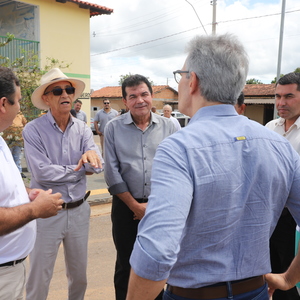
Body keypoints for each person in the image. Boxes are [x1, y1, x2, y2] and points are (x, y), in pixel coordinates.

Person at [126, 34, 300, 300]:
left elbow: (158, 250)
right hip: (255, 291)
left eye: (180, 75)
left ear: (192, 81)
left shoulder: (178, 149)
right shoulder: (279, 145)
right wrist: (289, 279)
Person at [23, 68, 103, 300]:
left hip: (79, 210)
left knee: (79, 277)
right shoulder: (33, 130)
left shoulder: (82, 128)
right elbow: (42, 171)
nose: (65, 94)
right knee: (39, 277)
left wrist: (89, 159)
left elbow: (98, 165)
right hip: (47, 213)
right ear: (46, 98)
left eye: (68, 89)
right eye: (57, 90)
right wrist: (80, 168)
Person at [104, 74, 177, 300]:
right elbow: (112, 172)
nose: (140, 100)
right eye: (133, 96)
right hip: (125, 206)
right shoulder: (113, 128)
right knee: (126, 262)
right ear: (125, 102)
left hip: (160, 207)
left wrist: (152, 206)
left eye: (144, 94)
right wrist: (135, 206)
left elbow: (176, 169)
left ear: (152, 96)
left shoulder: (170, 126)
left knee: (160, 262)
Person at [0, 66, 63, 300]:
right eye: (17, 101)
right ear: (3, 104)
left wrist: (25, 193)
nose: (20, 108)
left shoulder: (1, 139)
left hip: (10, 270)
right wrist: (35, 209)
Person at [265, 72, 300, 300]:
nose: (281, 103)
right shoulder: (269, 128)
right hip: (269, 215)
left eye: (289, 96)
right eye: (278, 96)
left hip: (295, 220)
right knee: (268, 275)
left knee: (291, 281)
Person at [2, 110, 27, 178]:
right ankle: (9, 173)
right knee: (8, 157)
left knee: (17, 157)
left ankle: (19, 172)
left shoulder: (20, 115)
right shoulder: (7, 115)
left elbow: (25, 124)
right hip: (7, 139)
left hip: (18, 140)